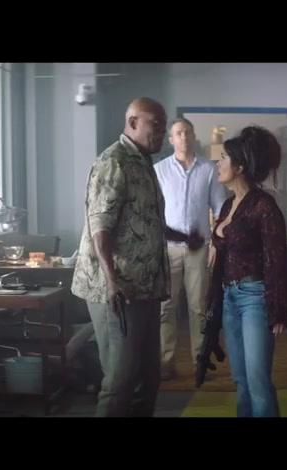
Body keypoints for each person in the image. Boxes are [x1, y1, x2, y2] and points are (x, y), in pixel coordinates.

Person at [71, 97, 170, 417]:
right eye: (156, 124)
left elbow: (144, 220)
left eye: (163, 126)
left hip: (146, 289)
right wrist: (112, 280)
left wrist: (184, 237)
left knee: (148, 379)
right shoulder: (114, 162)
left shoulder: (142, 163)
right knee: (120, 379)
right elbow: (100, 228)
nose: (162, 132)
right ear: (133, 123)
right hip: (118, 291)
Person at [207, 125, 287, 417]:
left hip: (255, 298)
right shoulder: (228, 204)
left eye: (223, 158)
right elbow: (221, 249)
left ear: (239, 167)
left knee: (258, 381)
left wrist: (278, 308)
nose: (218, 163)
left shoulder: (264, 205)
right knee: (240, 381)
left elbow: (276, 259)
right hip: (230, 297)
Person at [154, 118, 228, 380]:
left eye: (187, 132)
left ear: (194, 136)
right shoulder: (159, 170)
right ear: (171, 139)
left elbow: (220, 210)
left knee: (198, 308)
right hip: (167, 249)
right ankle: (165, 364)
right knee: (165, 308)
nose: (183, 137)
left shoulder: (209, 169)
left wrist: (216, 245)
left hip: (199, 249)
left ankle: (200, 361)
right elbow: (153, 213)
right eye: (178, 133)